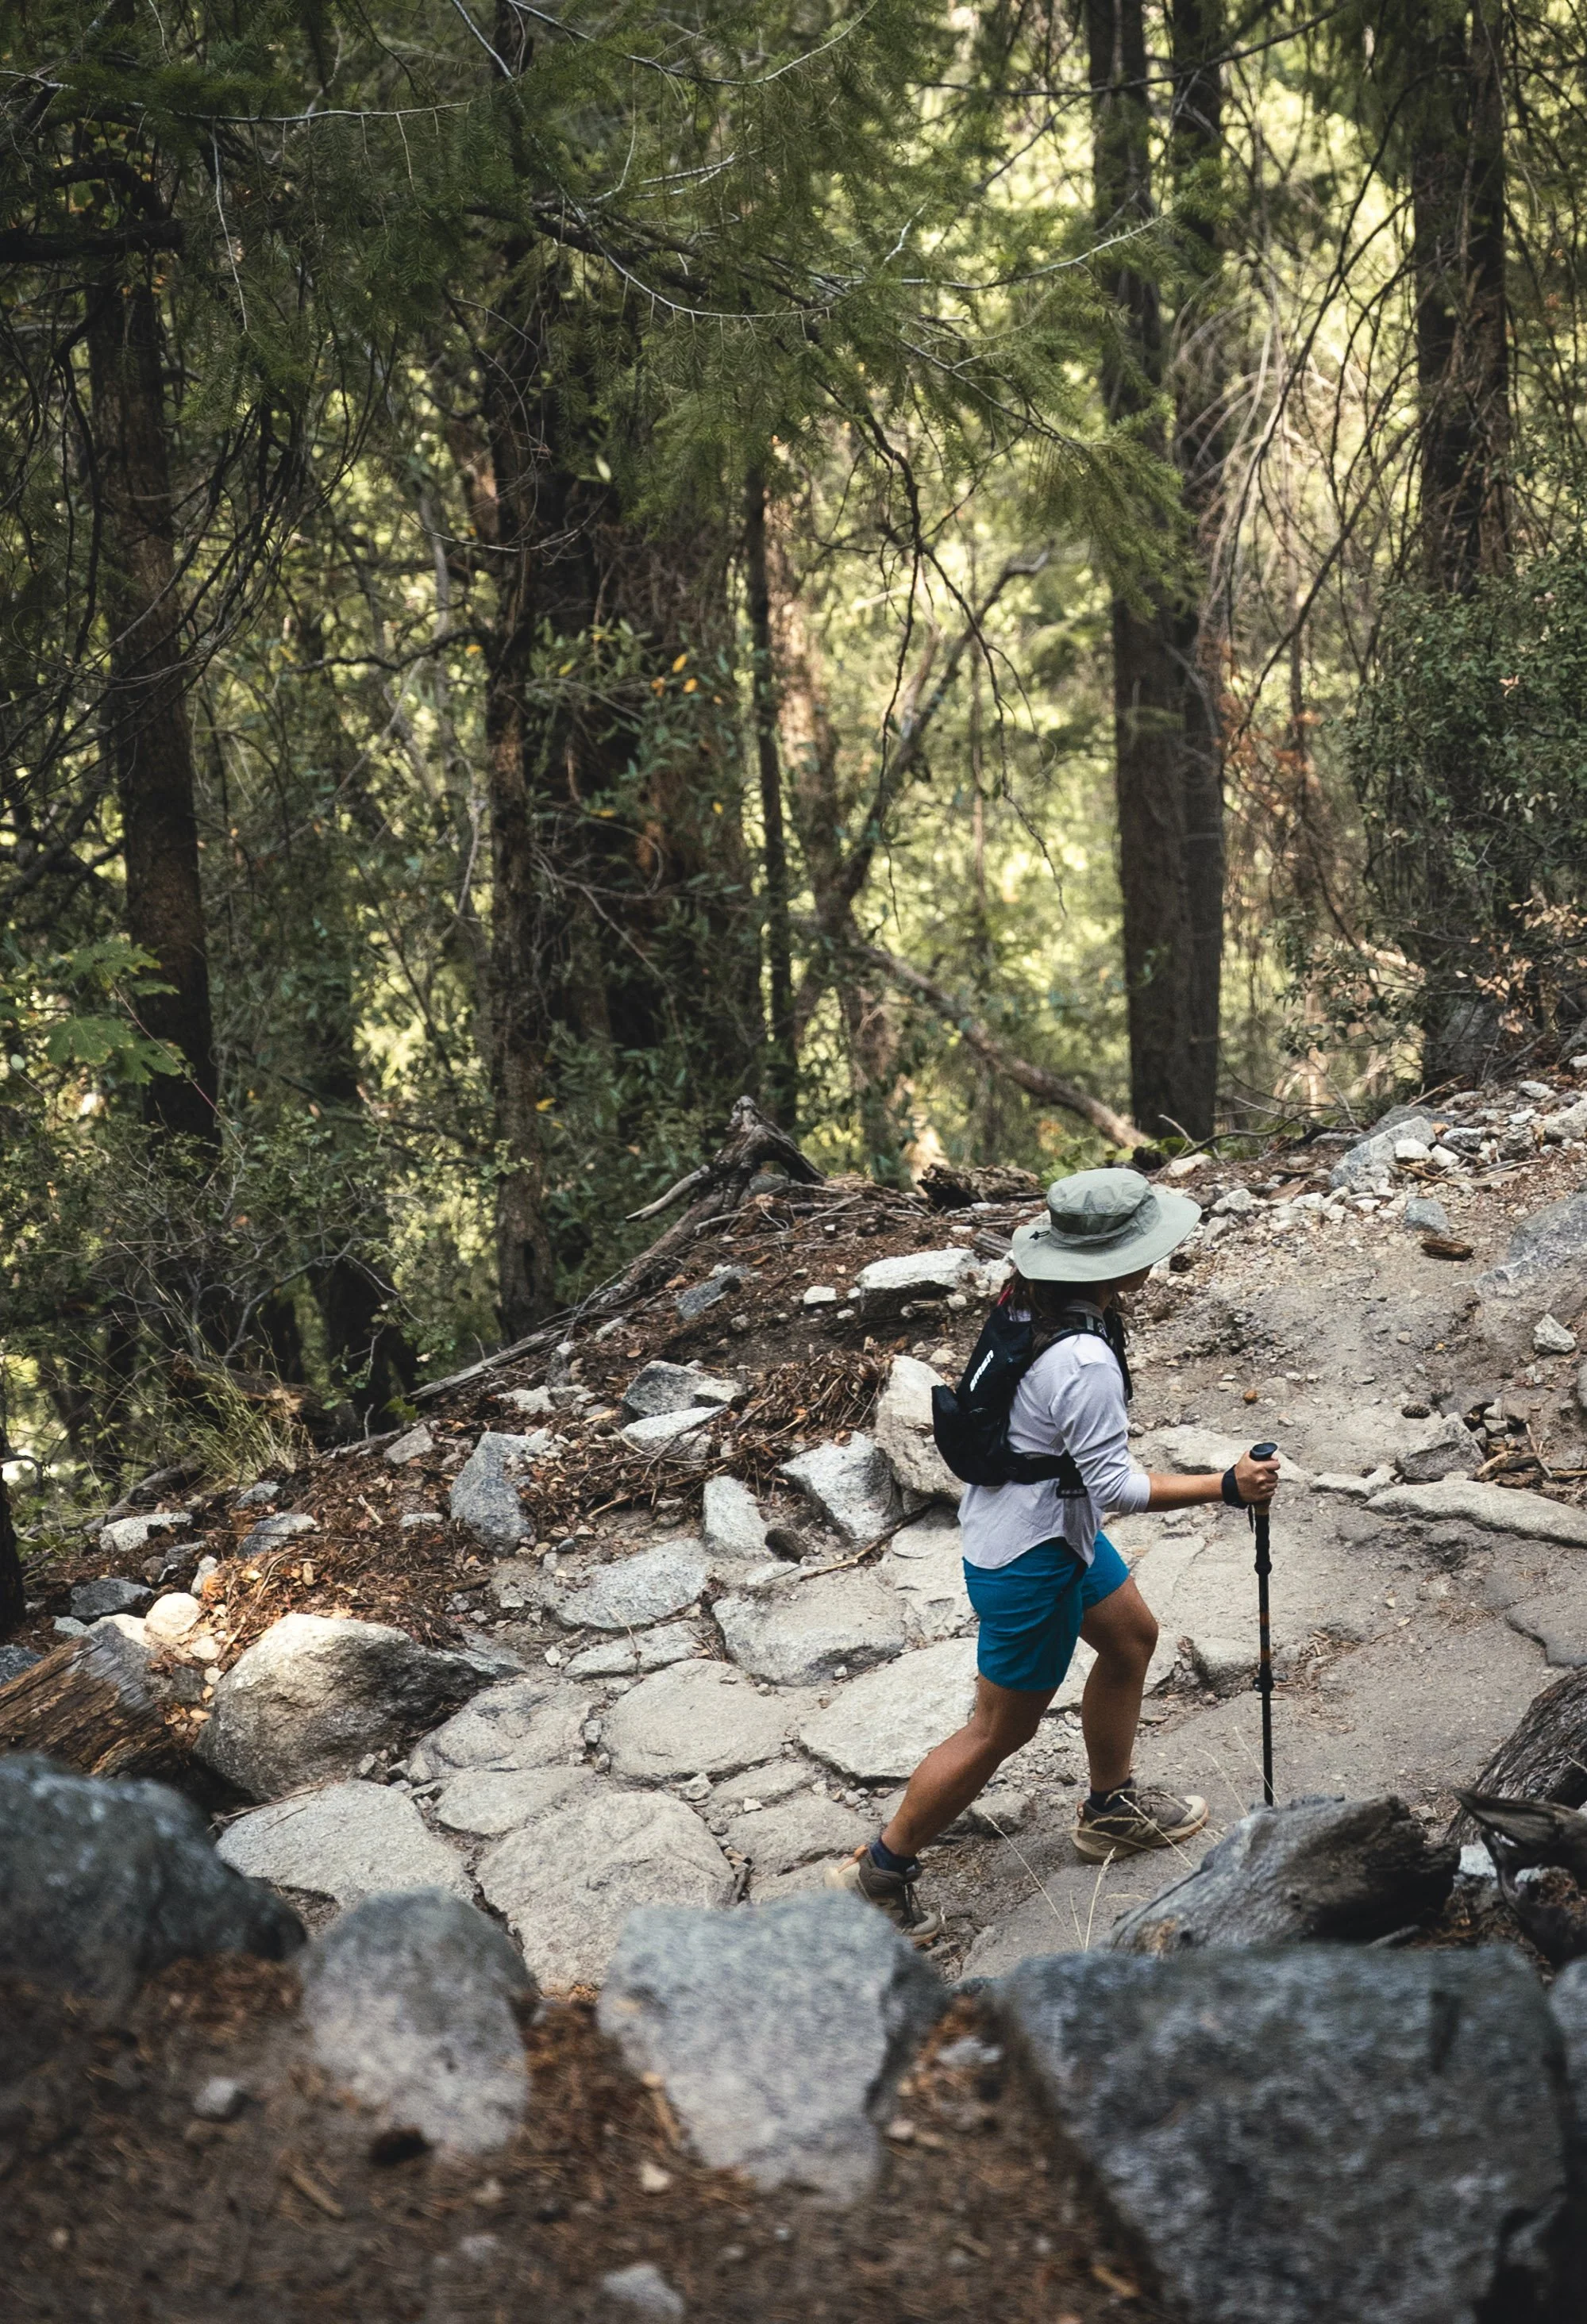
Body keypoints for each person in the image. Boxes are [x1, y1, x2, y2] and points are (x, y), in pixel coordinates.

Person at [826, 1165, 1281, 1941]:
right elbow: (1116, 1489)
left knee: (1132, 1637)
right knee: (998, 1730)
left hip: (1042, 1525)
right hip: (1029, 1556)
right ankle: (880, 1870)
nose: (1158, 1253)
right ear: (1112, 1260)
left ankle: (1109, 1808)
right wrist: (1226, 1486)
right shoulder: (1083, 1359)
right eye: (1146, 1243)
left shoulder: (1037, 1301)